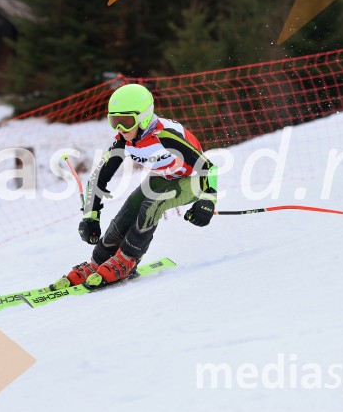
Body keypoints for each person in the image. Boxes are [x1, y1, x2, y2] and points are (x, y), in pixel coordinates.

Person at [52, 83, 218, 290]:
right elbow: (97, 179)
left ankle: (128, 259)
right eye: (114, 121)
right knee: (132, 205)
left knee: (153, 203)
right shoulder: (124, 141)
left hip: (194, 180)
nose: (120, 128)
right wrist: (90, 217)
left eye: (126, 121)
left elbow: (208, 168)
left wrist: (208, 200)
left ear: (143, 117)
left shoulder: (165, 136)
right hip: (165, 176)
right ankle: (99, 261)